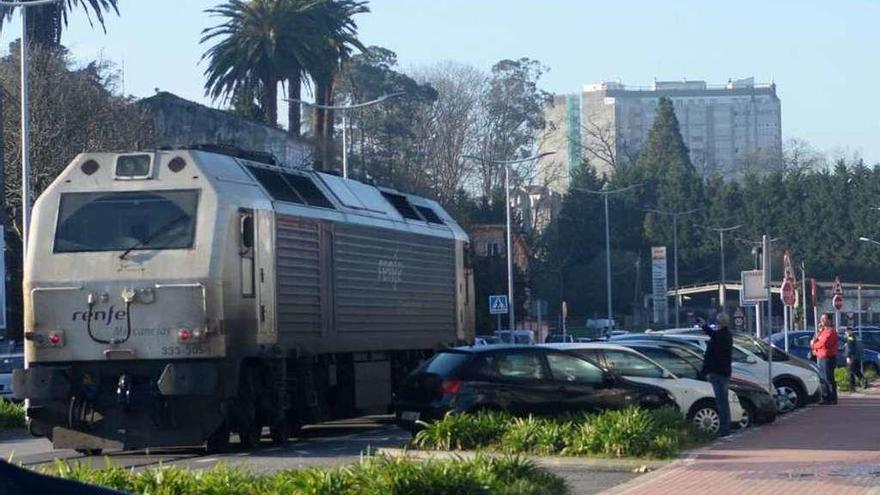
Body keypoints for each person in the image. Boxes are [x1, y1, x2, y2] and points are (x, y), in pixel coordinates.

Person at [696, 313, 733, 437]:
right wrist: (705, 326)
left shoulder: (720, 336)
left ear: (719, 323)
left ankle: (724, 429)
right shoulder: (727, 335)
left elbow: (713, 338)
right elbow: (714, 335)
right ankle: (726, 428)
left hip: (717, 373)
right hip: (725, 372)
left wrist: (704, 326)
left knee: (721, 402)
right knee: (723, 401)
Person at [811, 313, 839, 404]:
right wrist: (818, 332)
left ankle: (831, 397)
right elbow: (813, 341)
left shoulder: (831, 332)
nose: (822, 321)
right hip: (820, 357)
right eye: (821, 318)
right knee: (822, 378)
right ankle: (825, 396)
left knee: (828, 378)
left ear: (829, 320)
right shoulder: (822, 331)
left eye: (824, 319)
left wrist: (815, 345)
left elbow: (825, 344)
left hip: (828, 358)